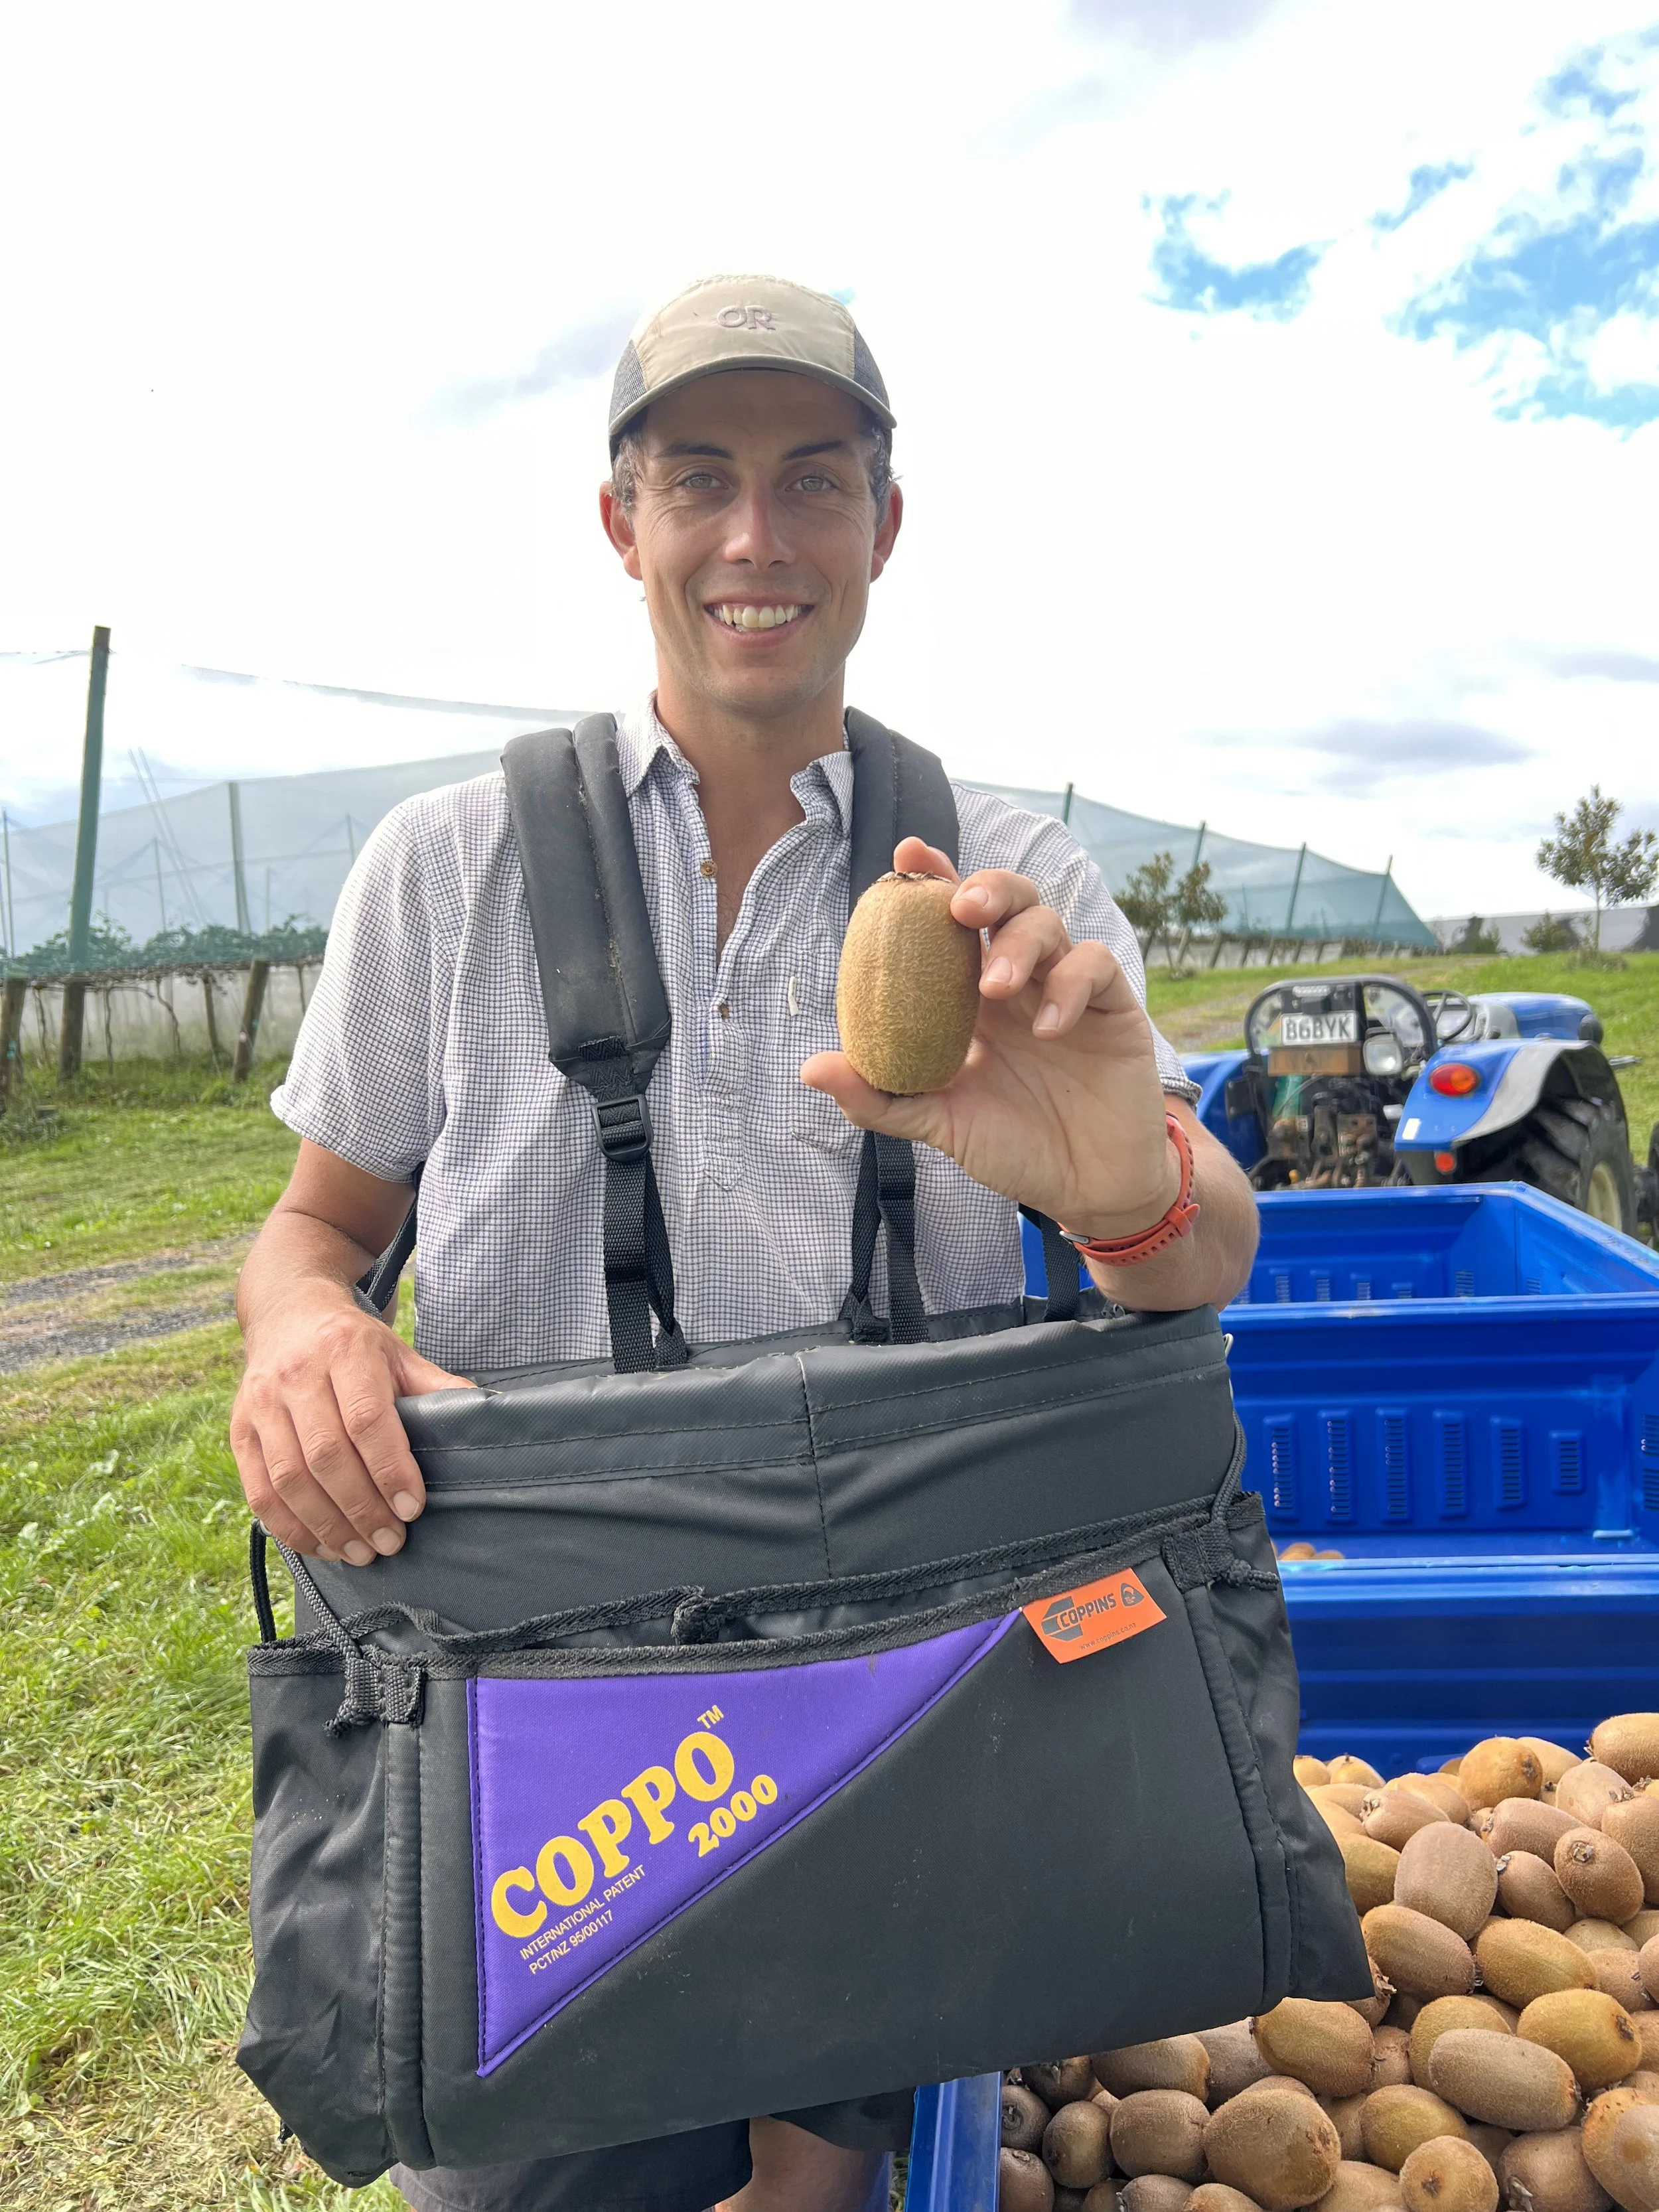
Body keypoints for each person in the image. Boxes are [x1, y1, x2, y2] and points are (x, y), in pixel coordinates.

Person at [232, 273, 1260, 2212]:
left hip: (904, 1729)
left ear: (887, 523)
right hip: (556, 1749)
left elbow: (1200, 1261)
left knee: (838, 2180)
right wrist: (301, 1330)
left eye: (815, 480)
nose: (756, 537)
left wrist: (1110, 1177)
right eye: (699, 477)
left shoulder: (1011, 880)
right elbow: (317, 1228)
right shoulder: (441, 870)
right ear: (619, 522)